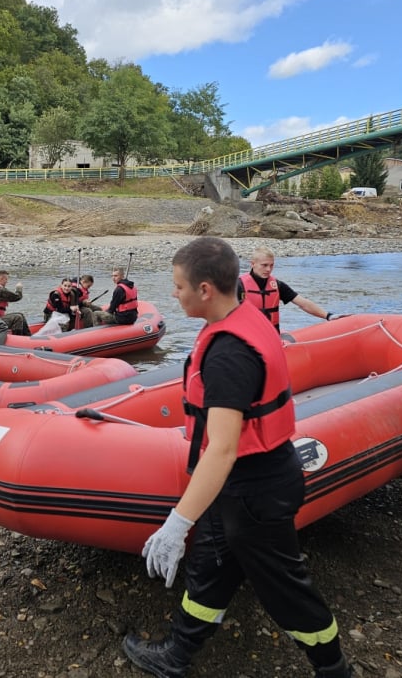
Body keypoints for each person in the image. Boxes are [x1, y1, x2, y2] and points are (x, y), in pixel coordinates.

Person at [122, 236, 352, 678]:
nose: (174, 294)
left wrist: (177, 523)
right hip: (241, 484)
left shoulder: (229, 354)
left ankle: (333, 667)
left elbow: (224, 448)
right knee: (210, 567)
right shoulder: (245, 313)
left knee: (286, 587)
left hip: (257, 488)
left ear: (205, 289)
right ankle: (177, 656)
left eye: (178, 286)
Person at [238, 246, 339, 331]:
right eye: (264, 265)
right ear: (252, 264)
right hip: (248, 338)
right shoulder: (238, 286)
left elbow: (303, 303)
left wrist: (328, 316)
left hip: (271, 337)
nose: (268, 269)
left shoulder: (277, 285)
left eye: (271, 265)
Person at [0, 269, 30, 337]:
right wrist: (19, 288)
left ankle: (28, 337)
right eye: (6, 279)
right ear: (1, 279)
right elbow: (17, 297)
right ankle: (18, 339)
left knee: (20, 315)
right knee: (18, 318)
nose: (7, 281)